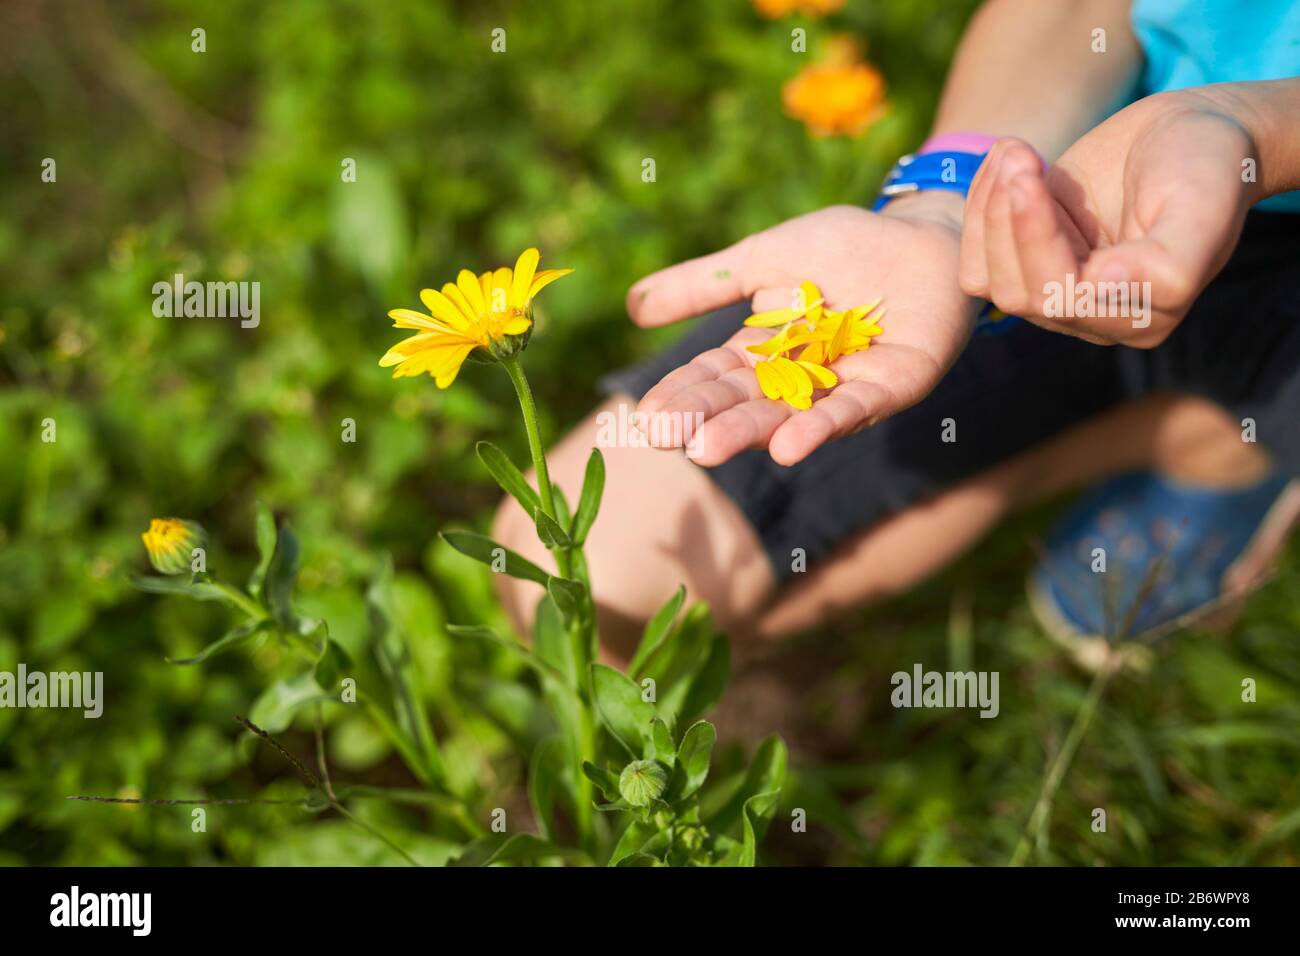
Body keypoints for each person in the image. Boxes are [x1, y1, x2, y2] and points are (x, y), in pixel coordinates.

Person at [493, 0, 1300, 669]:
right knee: (574, 568)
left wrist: (1256, 131)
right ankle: (1187, 434)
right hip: (1103, 179)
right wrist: (944, 207)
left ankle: (1236, 440)